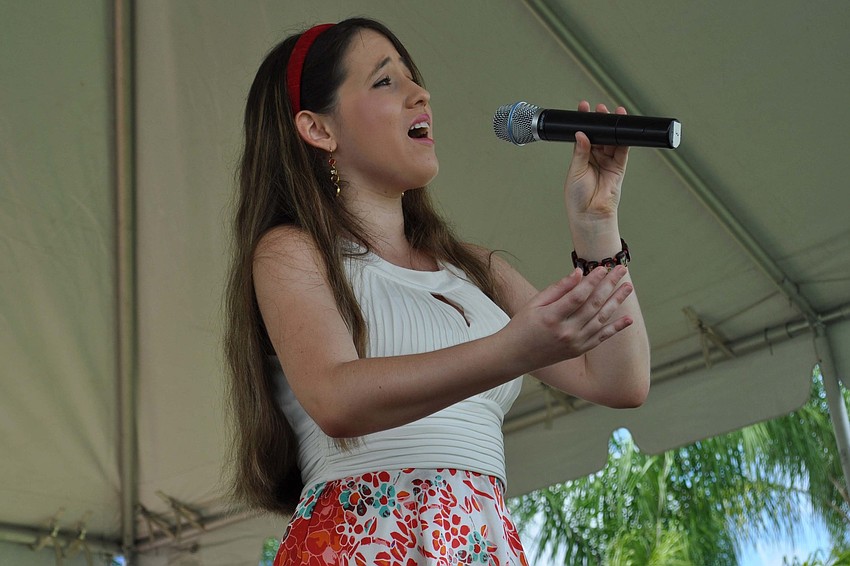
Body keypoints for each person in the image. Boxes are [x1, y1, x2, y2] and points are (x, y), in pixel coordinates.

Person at [224, 17, 650, 566]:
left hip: (475, 538)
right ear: (318, 129)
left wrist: (596, 225)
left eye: (413, 78)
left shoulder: (475, 268)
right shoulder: (290, 251)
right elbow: (335, 398)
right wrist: (512, 349)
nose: (420, 93)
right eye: (385, 81)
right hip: (362, 541)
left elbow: (619, 380)